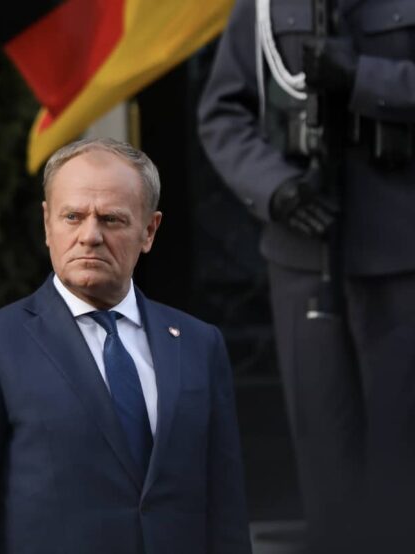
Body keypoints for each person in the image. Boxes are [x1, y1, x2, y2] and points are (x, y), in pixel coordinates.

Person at [0, 138, 252, 554]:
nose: (89, 236)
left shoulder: (199, 344)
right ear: (47, 224)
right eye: (73, 216)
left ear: (149, 230)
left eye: (111, 219)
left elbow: (225, 512)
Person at [198, 1, 415, 551]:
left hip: (403, 254)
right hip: (304, 254)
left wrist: (364, 77)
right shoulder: (269, 4)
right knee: (325, 457)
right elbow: (224, 112)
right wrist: (275, 189)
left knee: (401, 459)